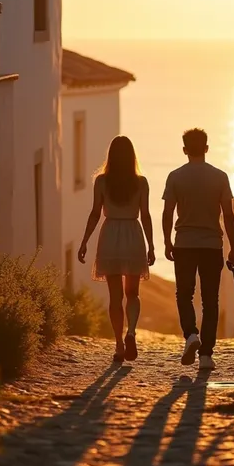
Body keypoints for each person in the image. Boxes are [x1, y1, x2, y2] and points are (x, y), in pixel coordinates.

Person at [162, 128, 234, 371]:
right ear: (206, 148)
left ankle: (191, 335)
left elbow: (167, 213)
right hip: (211, 245)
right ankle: (206, 355)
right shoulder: (220, 177)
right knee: (210, 300)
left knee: (184, 295)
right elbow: (228, 215)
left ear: (185, 150)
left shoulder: (175, 177)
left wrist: (167, 241)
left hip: (184, 244)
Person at [78, 136, 155, 363]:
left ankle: (119, 345)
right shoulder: (141, 183)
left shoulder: (101, 181)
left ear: (110, 155)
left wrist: (84, 241)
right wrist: (151, 245)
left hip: (110, 234)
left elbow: (94, 214)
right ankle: (131, 332)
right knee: (133, 293)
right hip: (133, 234)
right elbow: (147, 215)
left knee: (115, 296)